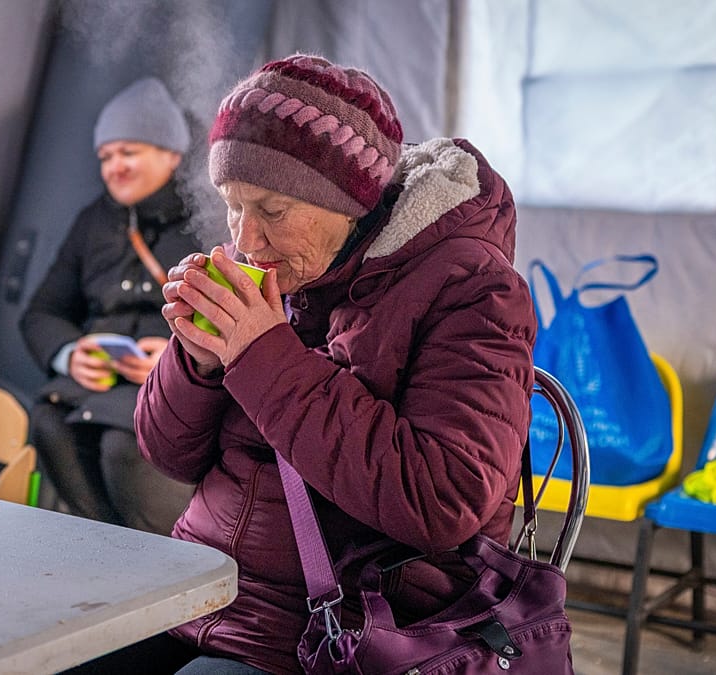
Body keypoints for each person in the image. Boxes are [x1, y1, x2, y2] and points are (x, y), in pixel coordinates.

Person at [125, 54, 538, 673]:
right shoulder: (287, 269)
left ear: (349, 201)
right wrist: (199, 363)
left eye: (272, 210)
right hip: (197, 591)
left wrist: (262, 354)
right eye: (233, 206)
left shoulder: (473, 289)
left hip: (347, 632)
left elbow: (444, 499)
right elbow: (168, 456)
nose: (246, 239)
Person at [20, 77, 200, 534]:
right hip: (97, 386)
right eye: (105, 156)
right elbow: (41, 312)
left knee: (126, 444)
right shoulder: (93, 221)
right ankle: (105, 550)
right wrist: (70, 355)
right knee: (50, 420)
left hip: (171, 391)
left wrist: (179, 358)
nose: (113, 167)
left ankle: (162, 563)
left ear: (171, 154)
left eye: (128, 152)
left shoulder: (210, 218)